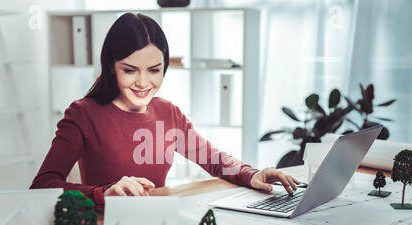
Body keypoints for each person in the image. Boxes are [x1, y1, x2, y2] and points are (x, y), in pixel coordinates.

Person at [30, 13, 299, 212]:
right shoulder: (83, 114)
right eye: (130, 69)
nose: (143, 82)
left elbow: (214, 160)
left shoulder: (168, 113)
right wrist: (102, 194)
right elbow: (42, 186)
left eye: (154, 70)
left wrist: (251, 174)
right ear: (111, 66)